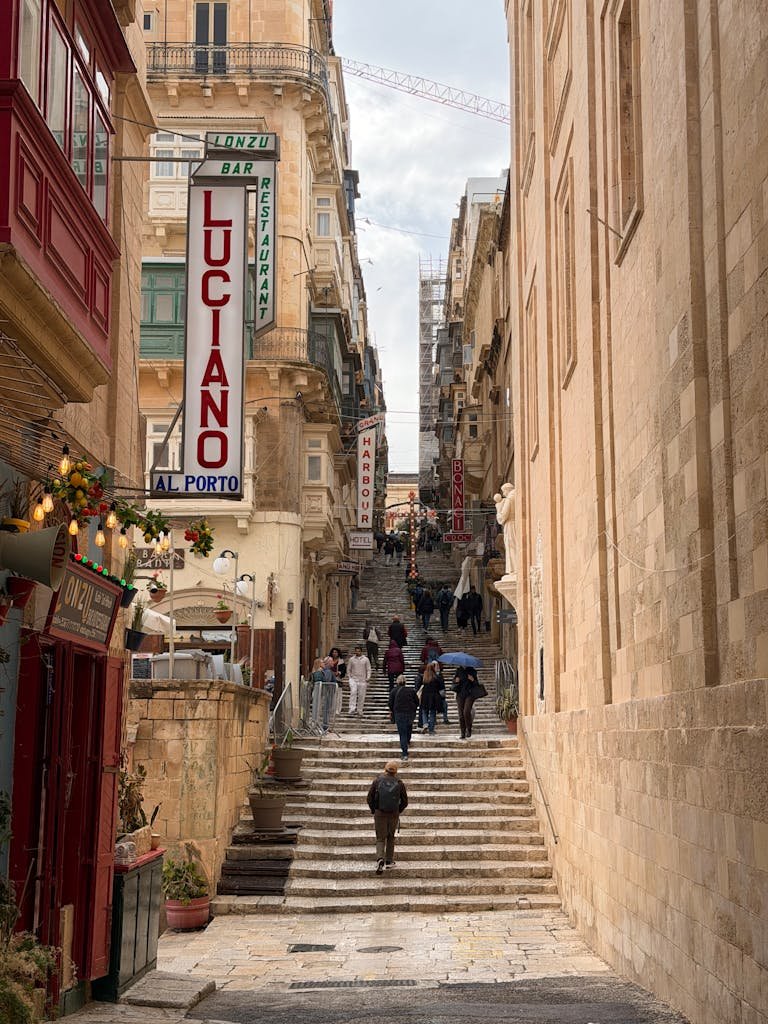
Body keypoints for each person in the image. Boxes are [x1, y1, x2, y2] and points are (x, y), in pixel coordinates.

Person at [367, 759, 408, 874]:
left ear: (385, 769)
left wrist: (374, 810)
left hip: (380, 813)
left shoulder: (377, 781)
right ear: (396, 771)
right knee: (390, 837)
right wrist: (398, 810)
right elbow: (405, 801)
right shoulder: (399, 783)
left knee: (380, 838)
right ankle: (389, 861)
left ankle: (380, 859)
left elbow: (369, 798)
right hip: (393, 813)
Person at [389, 674, 419, 761]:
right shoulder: (411, 690)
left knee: (402, 733)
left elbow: (390, 703)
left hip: (399, 713)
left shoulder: (394, 691)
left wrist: (392, 710)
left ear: (397, 682)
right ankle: (408, 741)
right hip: (410, 713)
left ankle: (405, 753)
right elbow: (417, 701)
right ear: (405, 682)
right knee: (409, 728)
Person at [494, 482, 517, 577]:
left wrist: (498, 511)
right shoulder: (517, 496)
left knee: (511, 546)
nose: (503, 494)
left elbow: (503, 516)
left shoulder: (509, 499)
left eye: (504, 491)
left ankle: (514, 569)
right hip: (517, 523)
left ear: (507, 490)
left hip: (510, 525)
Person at [452, 664, 480, 739]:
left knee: (466, 711)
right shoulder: (458, 671)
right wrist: (456, 680)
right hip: (460, 695)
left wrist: (472, 680)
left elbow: (477, 684)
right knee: (461, 714)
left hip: (470, 695)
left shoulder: (472, 671)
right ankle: (462, 733)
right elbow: (454, 682)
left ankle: (469, 728)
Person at [346, 644, 371, 717]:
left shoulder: (365, 659)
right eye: (356, 651)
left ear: (361, 651)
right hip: (353, 679)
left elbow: (368, 669)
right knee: (353, 692)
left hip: (363, 680)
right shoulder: (351, 659)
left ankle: (360, 710)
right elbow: (348, 669)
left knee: (361, 695)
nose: (357, 652)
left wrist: (368, 677)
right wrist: (350, 677)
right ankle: (352, 709)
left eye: (359, 651)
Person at [418, 663, 443, 735]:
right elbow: (440, 688)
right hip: (434, 697)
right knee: (432, 713)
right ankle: (431, 730)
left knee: (424, 711)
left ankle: (425, 723)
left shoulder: (424, 678)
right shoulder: (436, 677)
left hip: (425, 696)